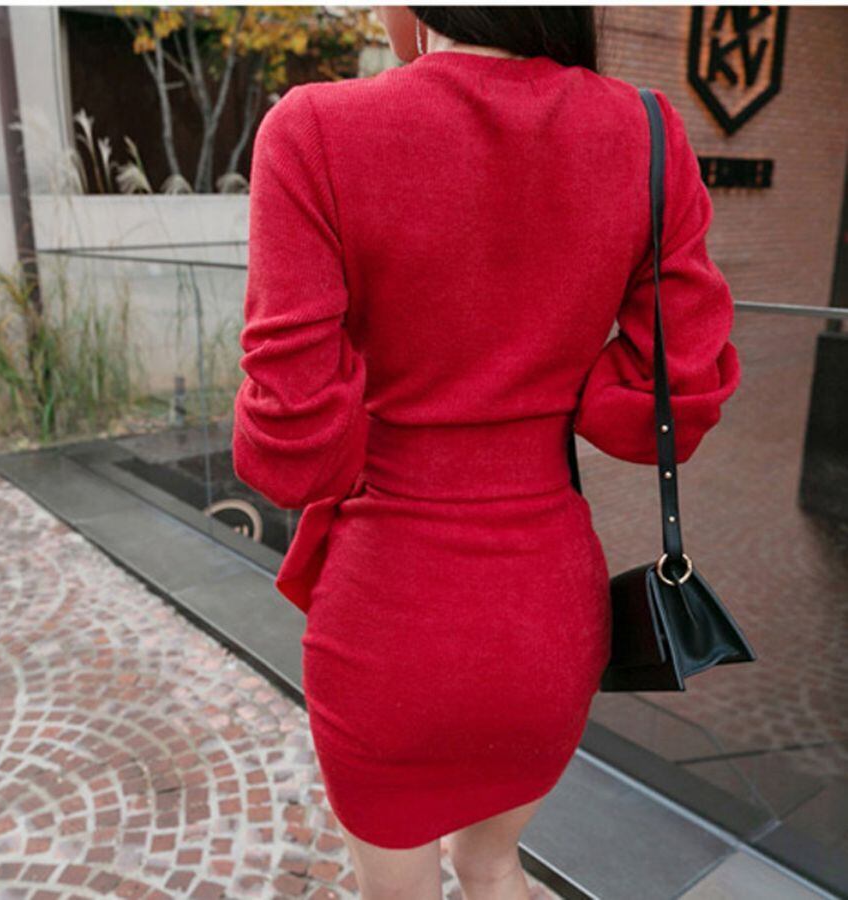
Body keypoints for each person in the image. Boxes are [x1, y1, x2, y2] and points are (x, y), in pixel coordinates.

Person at [232, 7, 741, 899]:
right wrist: (552, 387)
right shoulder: (646, 130)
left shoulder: (314, 130)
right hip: (548, 619)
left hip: (388, 619)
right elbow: (677, 393)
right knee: (493, 863)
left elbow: (291, 454)